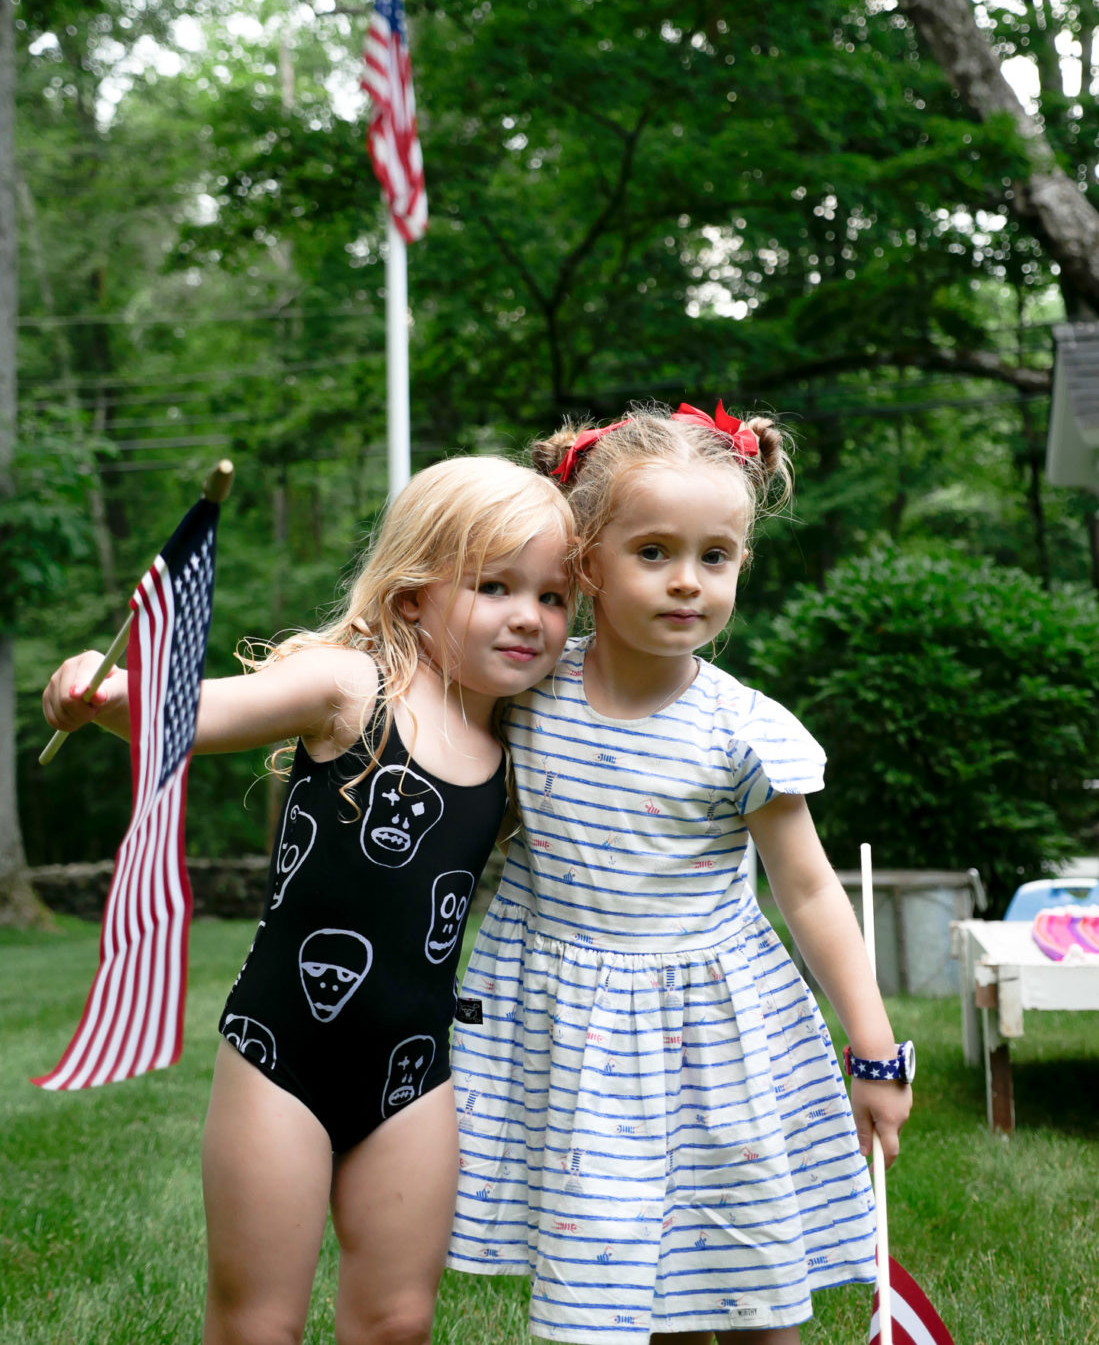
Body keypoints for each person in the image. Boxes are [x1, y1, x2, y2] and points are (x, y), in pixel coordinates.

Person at [41, 455, 573, 1345]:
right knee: (256, 1325)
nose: (530, 616)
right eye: (493, 585)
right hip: (279, 1052)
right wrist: (107, 694)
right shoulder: (353, 688)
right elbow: (194, 712)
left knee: (399, 1318)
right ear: (412, 596)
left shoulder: (524, 731)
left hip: (413, 1067)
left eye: (554, 597)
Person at [445, 404, 913, 1345]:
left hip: (716, 1032)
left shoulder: (743, 732)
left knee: (743, 1282)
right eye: (652, 551)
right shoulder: (526, 694)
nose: (687, 582)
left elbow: (810, 888)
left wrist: (873, 1045)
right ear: (586, 561)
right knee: (622, 1290)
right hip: (574, 1030)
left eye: (716, 556)